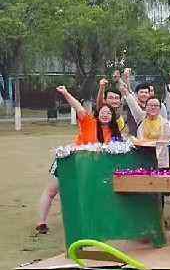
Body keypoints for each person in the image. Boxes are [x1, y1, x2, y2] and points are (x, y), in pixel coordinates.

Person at [36, 87, 124, 234]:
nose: (105, 115)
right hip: (70, 160)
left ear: (113, 116)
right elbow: (77, 106)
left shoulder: (114, 133)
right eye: (103, 112)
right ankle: (41, 222)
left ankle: (93, 221)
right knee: (51, 190)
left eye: (109, 113)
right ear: (98, 113)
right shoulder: (89, 122)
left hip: (89, 167)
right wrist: (65, 93)